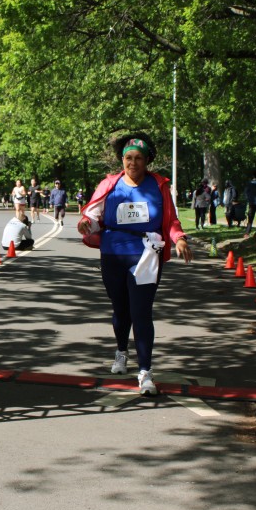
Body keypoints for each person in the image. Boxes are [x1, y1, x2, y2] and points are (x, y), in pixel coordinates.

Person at [77, 133, 192, 396]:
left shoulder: (159, 185)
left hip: (146, 255)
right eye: (128, 158)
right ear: (122, 160)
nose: (133, 163)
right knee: (121, 310)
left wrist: (179, 238)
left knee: (141, 312)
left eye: (138, 158)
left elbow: (171, 220)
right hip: (113, 254)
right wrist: (86, 224)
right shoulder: (110, 184)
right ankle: (121, 352)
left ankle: (145, 372)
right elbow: (92, 216)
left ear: (147, 160)